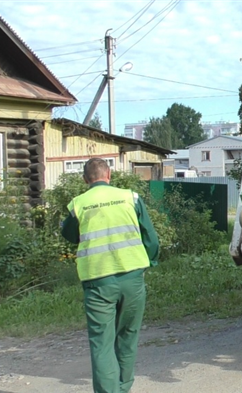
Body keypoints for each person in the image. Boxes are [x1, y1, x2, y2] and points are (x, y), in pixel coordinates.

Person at [61, 158, 159, 393]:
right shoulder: (130, 198)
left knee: (102, 344)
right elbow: (151, 239)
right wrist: (149, 262)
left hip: (98, 282)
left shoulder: (79, 204)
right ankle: (123, 388)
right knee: (127, 338)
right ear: (110, 175)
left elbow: (70, 234)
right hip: (132, 278)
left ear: (86, 179)